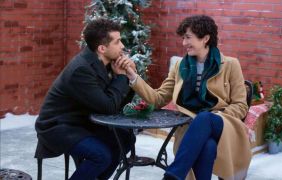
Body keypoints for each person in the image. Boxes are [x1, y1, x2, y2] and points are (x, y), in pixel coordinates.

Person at [122, 15, 252, 180]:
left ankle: (172, 175)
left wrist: (214, 117)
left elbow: (241, 106)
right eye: (183, 38)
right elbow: (158, 98)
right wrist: (133, 76)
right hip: (191, 130)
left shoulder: (231, 65)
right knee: (208, 147)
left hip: (223, 124)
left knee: (205, 118)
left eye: (188, 37)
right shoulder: (180, 66)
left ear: (205, 38)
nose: (184, 43)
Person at [34, 18, 137, 180]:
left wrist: (129, 75)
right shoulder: (81, 70)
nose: (123, 46)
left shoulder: (107, 64)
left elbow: (116, 105)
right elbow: (108, 107)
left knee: (125, 138)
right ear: (102, 48)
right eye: (118, 42)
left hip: (83, 122)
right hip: (58, 126)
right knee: (100, 156)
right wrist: (121, 77)